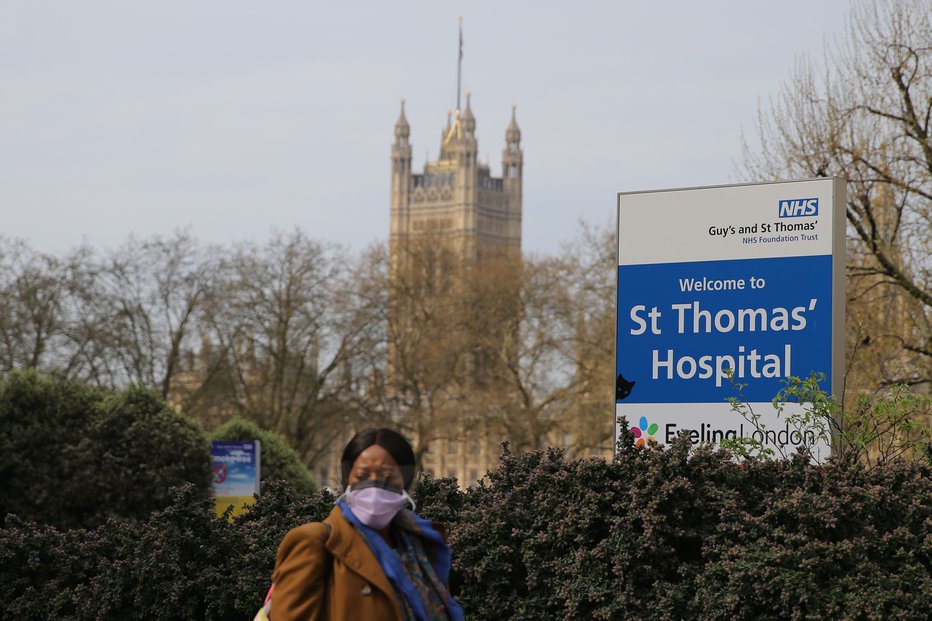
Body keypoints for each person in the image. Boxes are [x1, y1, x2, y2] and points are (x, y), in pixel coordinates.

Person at [270, 428, 464, 621]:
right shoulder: (315, 541)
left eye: (387, 476)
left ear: (405, 482)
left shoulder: (422, 543)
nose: (374, 485)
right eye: (362, 476)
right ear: (348, 480)